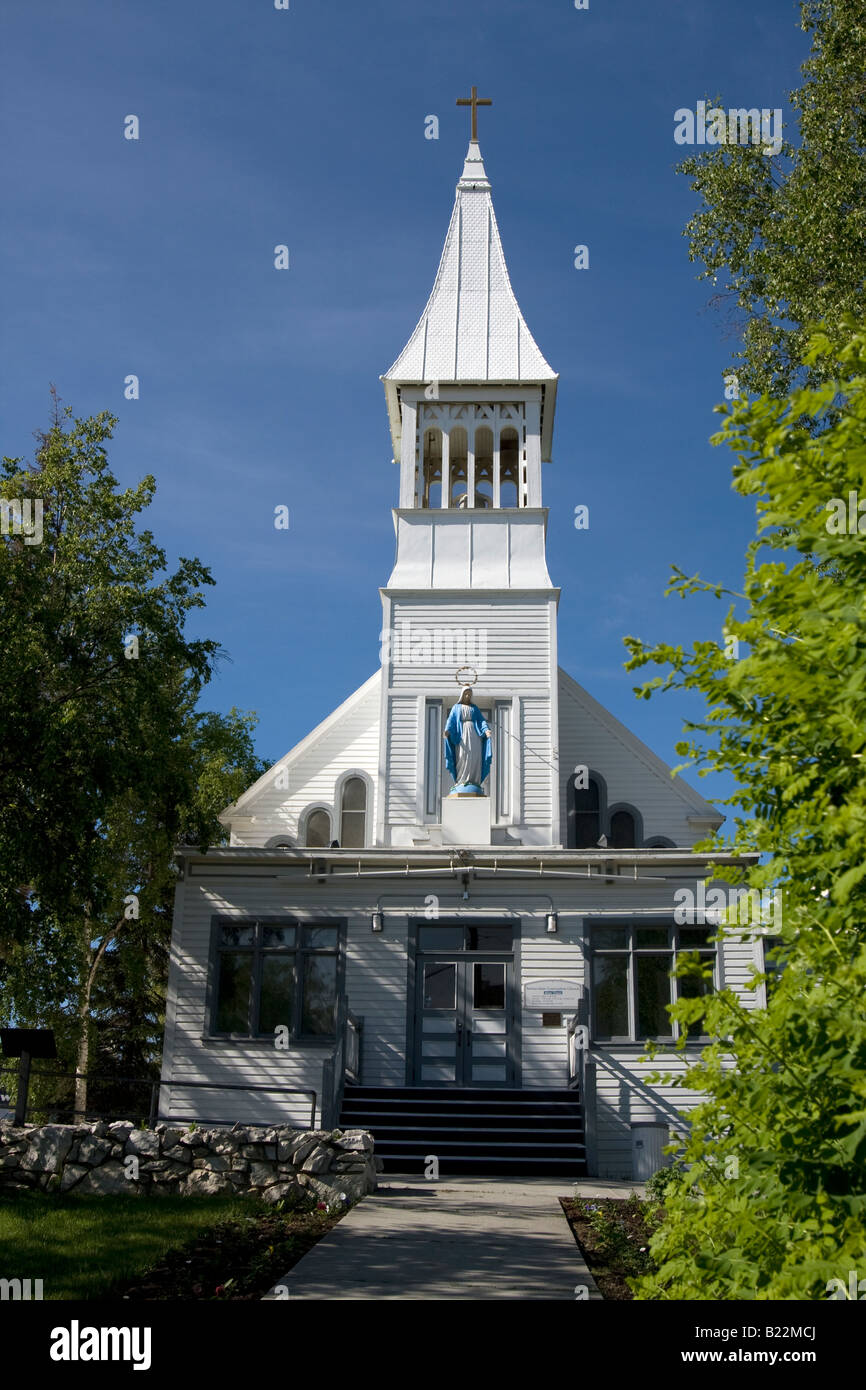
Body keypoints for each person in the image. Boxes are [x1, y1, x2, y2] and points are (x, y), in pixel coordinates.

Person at [443, 687, 491, 794]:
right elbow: (451, 720)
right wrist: (447, 730)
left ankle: (474, 781)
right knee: (462, 756)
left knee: (474, 756)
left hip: (475, 736)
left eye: (469, 694)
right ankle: (461, 780)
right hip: (461, 736)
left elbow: (481, 721)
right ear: (462, 695)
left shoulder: (474, 708)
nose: (468, 696)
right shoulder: (456, 707)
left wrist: (486, 730)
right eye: (466, 694)